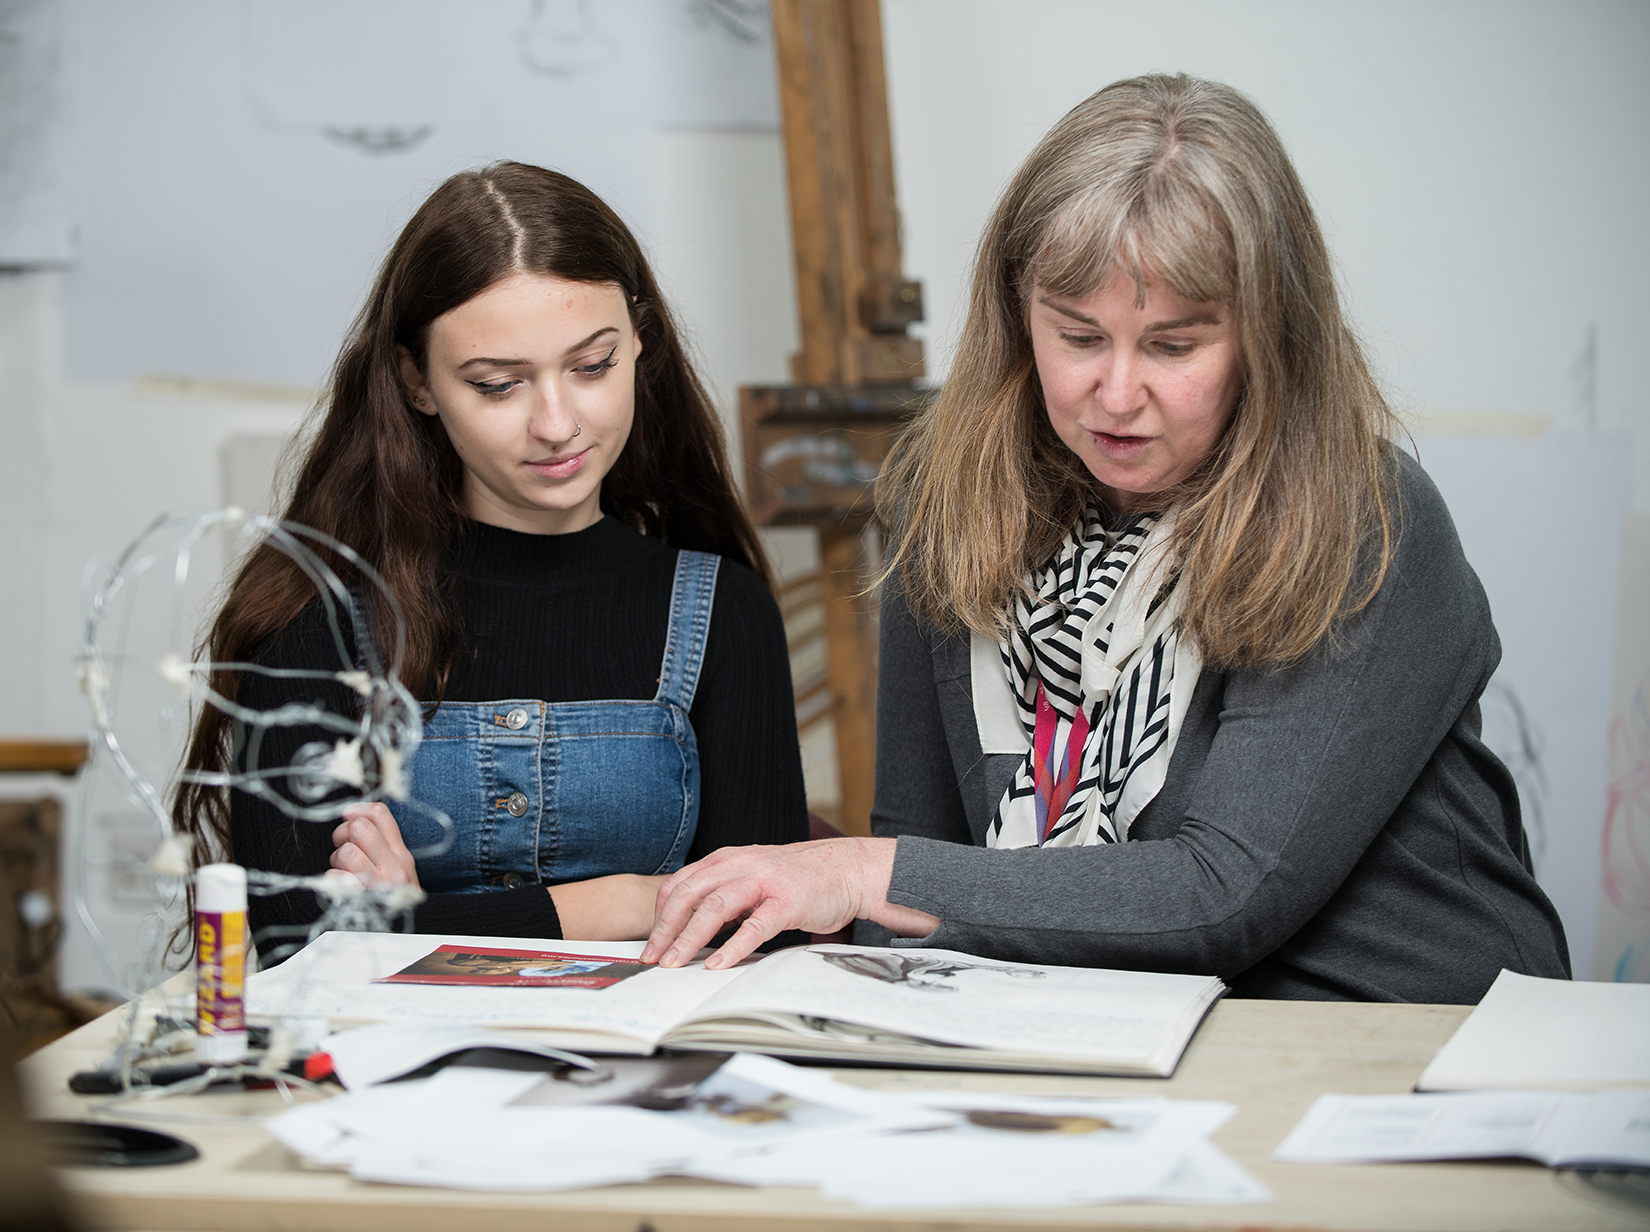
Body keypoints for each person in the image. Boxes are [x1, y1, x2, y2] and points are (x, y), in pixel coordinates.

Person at [642, 74, 1570, 1004]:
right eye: (1079, 337)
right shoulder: (946, 493)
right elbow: (917, 852)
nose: (1118, 395)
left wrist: (861, 873)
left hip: (1396, 1022)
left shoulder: (1365, 515)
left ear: (1269, 338)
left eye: (1174, 346)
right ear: (1019, 316)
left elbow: (1224, 893)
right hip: (1087, 1012)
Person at [173, 162, 808, 957]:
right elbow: (291, 942)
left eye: (592, 366)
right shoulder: (318, 619)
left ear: (639, 342)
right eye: (498, 384)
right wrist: (626, 901)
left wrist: (408, 921)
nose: (556, 424)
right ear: (418, 382)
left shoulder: (725, 613)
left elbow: (764, 931)